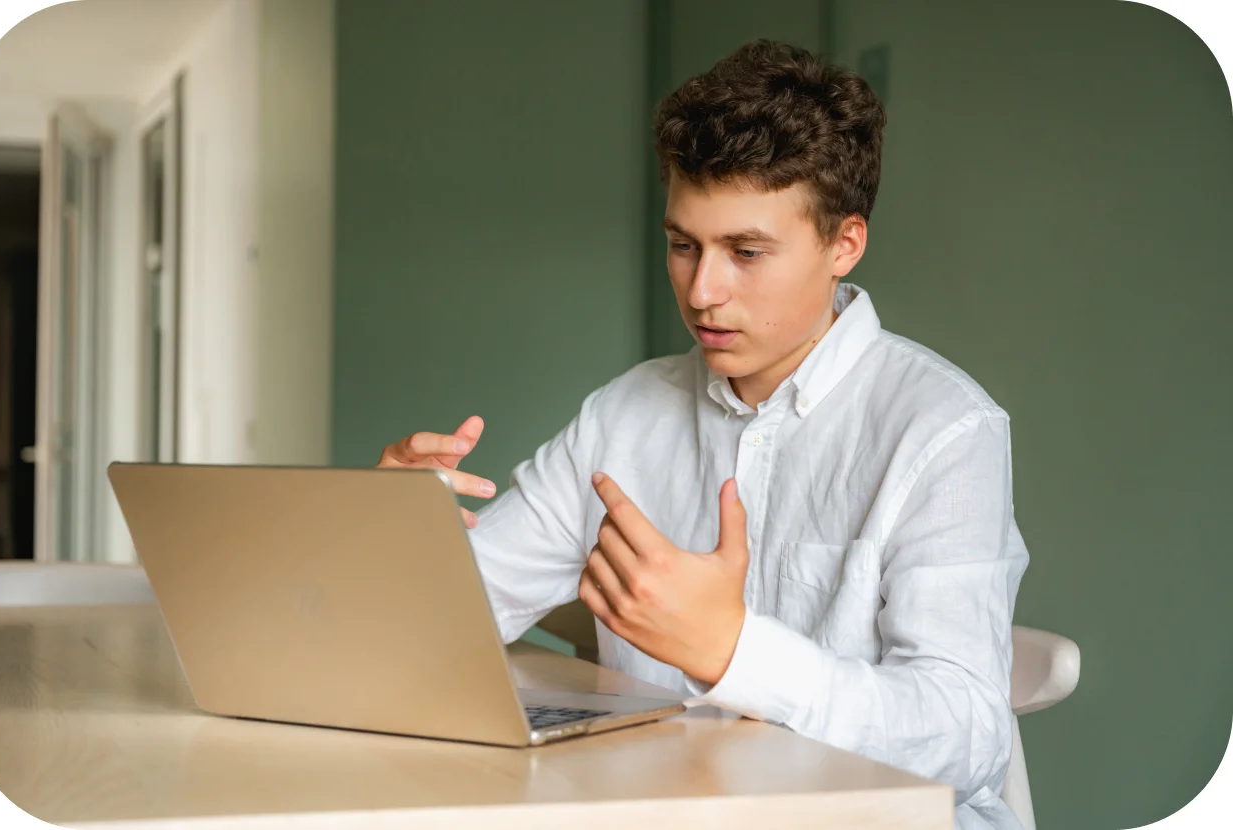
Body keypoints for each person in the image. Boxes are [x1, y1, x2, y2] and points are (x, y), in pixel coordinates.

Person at [377, 39, 1028, 830]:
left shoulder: (944, 428)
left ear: (844, 244)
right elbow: (456, 612)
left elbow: (968, 734)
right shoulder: (623, 414)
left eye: (746, 252)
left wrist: (735, 651)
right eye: (683, 245)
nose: (702, 290)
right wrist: (395, 531)